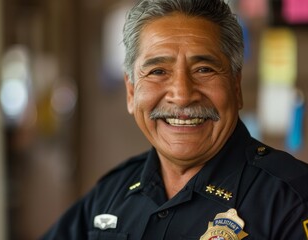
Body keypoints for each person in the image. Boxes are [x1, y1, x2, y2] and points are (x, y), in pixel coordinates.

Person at [42, 0, 308, 239]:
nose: (182, 95)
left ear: (235, 87)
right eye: (158, 71)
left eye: (204, 69)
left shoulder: (292, 201)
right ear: (131, 92)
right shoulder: (110, 195)